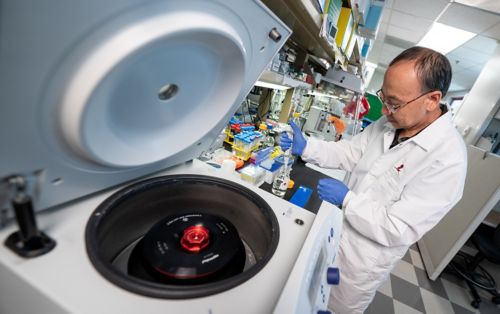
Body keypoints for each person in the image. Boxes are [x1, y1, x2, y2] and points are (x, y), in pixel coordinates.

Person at [280, 46, 467, 314]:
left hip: (360, 262)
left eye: (395, 103)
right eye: (384, 98)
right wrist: (307, 147)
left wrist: (348, 200)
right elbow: (350, 153)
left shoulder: (448, 160)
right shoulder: (390, 123)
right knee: (304, 295)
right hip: (334, 234)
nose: (385, 110)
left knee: (333, 307)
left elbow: (397, 227)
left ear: (432, 99)